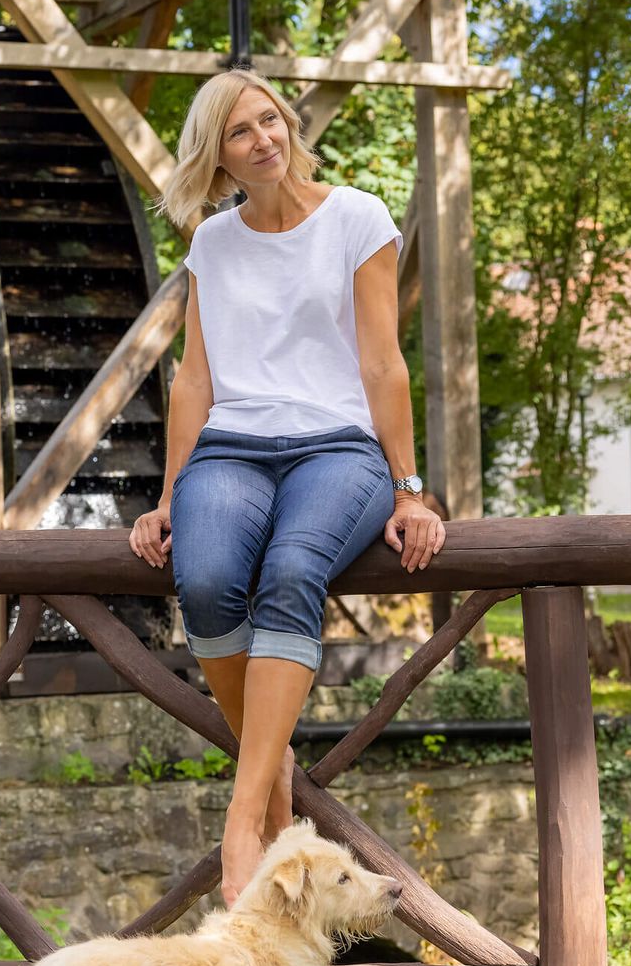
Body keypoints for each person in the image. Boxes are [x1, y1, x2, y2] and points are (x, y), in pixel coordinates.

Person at [127, 69, 446, 906]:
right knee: (201, 580)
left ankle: (246, 817)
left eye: (270, 120)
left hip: (338, 448)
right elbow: (194, 381)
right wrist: (168, 496)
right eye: (241, 132)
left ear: (288, 123)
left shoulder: (357, 218)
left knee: (294, 570)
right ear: (218, 155)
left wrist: (410, 490)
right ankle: (275, 786)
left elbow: (382, 361)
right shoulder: (212, 243)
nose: (263, 138)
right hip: (233, 447)